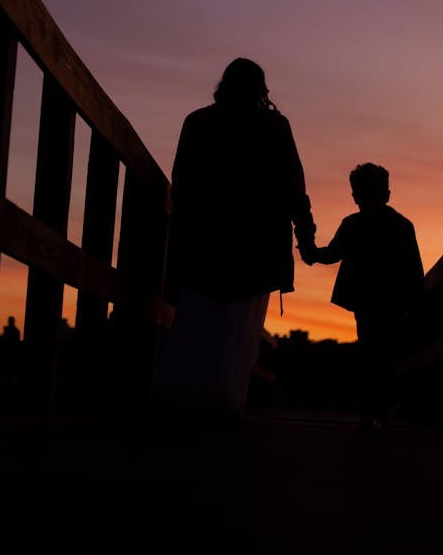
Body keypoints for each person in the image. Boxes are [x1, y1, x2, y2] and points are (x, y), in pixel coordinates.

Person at [150, 57, 317, 420]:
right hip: (257, 244)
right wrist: (305, 237)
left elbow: (182, 183)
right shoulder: (275, 126)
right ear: (261, 89)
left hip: (205, 241)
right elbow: (293, 186)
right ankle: (224, 402)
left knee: (196, 321)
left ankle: (179, 396)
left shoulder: (198, 122)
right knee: (239, 330)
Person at [310, 162, 425, 431]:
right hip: (394, 300)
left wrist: (310, 253)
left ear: (355, 196)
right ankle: (383, 407)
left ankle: (369, 409)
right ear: (387, 195)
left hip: (364, 299)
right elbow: (415, 267)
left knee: (369, 350)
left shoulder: (352, 224)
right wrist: (418, 302)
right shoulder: (403, 225)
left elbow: (331, 254)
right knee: (387, 352)